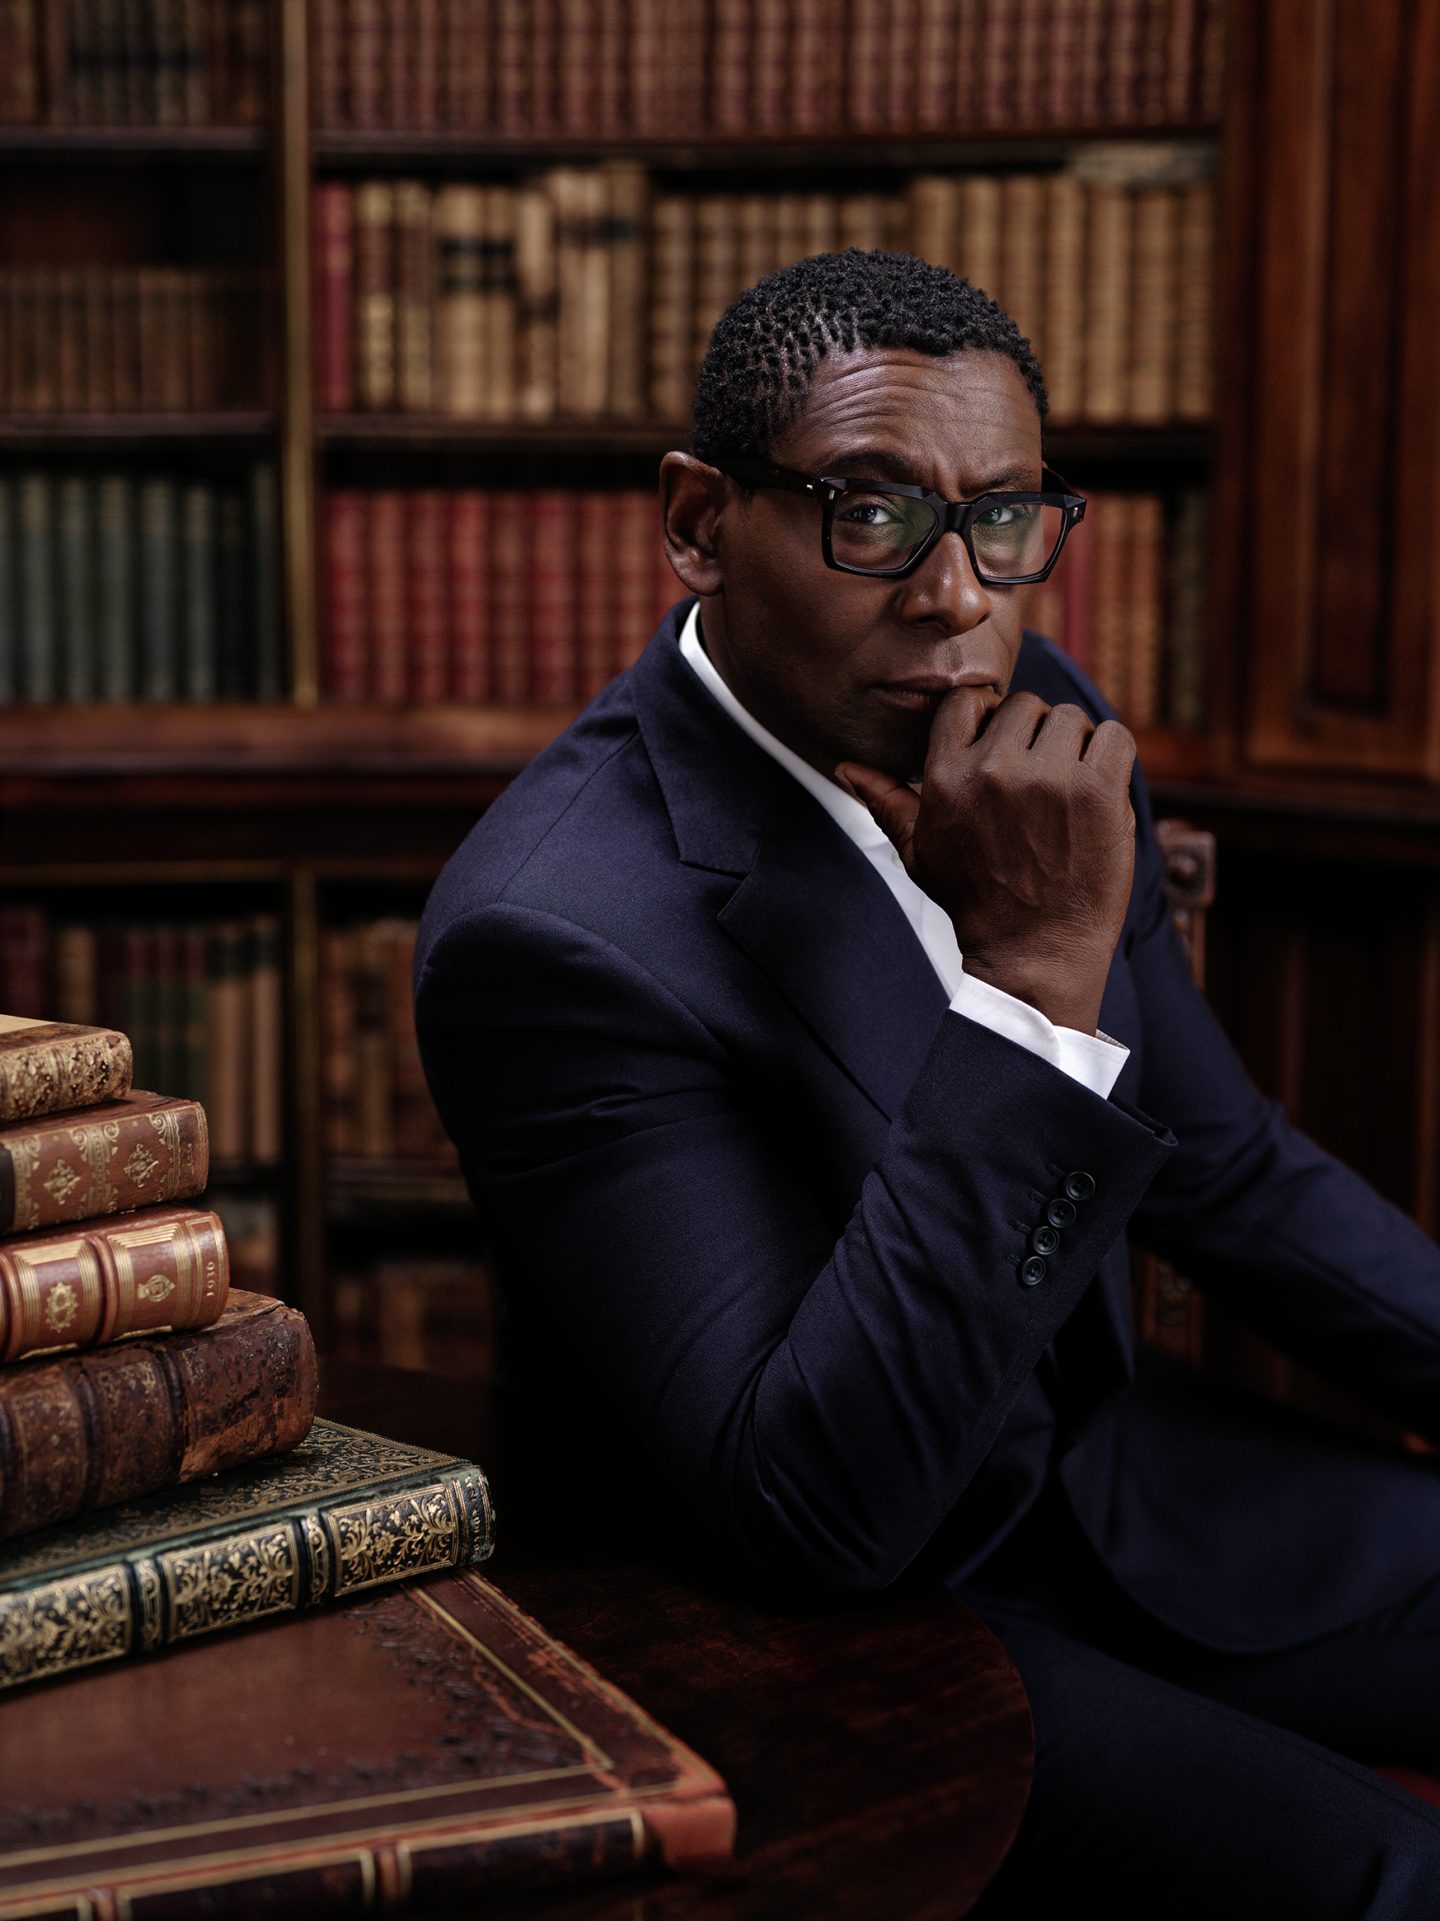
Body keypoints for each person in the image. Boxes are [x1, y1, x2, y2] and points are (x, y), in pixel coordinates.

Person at [414, 250, 1440, 1916]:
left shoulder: (1024, 714)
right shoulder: (552, 934)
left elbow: (1229, 1167)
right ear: (696, 521)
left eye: (1009, 516)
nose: (959, 595)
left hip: (1121, 1497)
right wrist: (1030, 983)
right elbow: (812, 1500)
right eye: (872, 513)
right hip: (855, 1628)